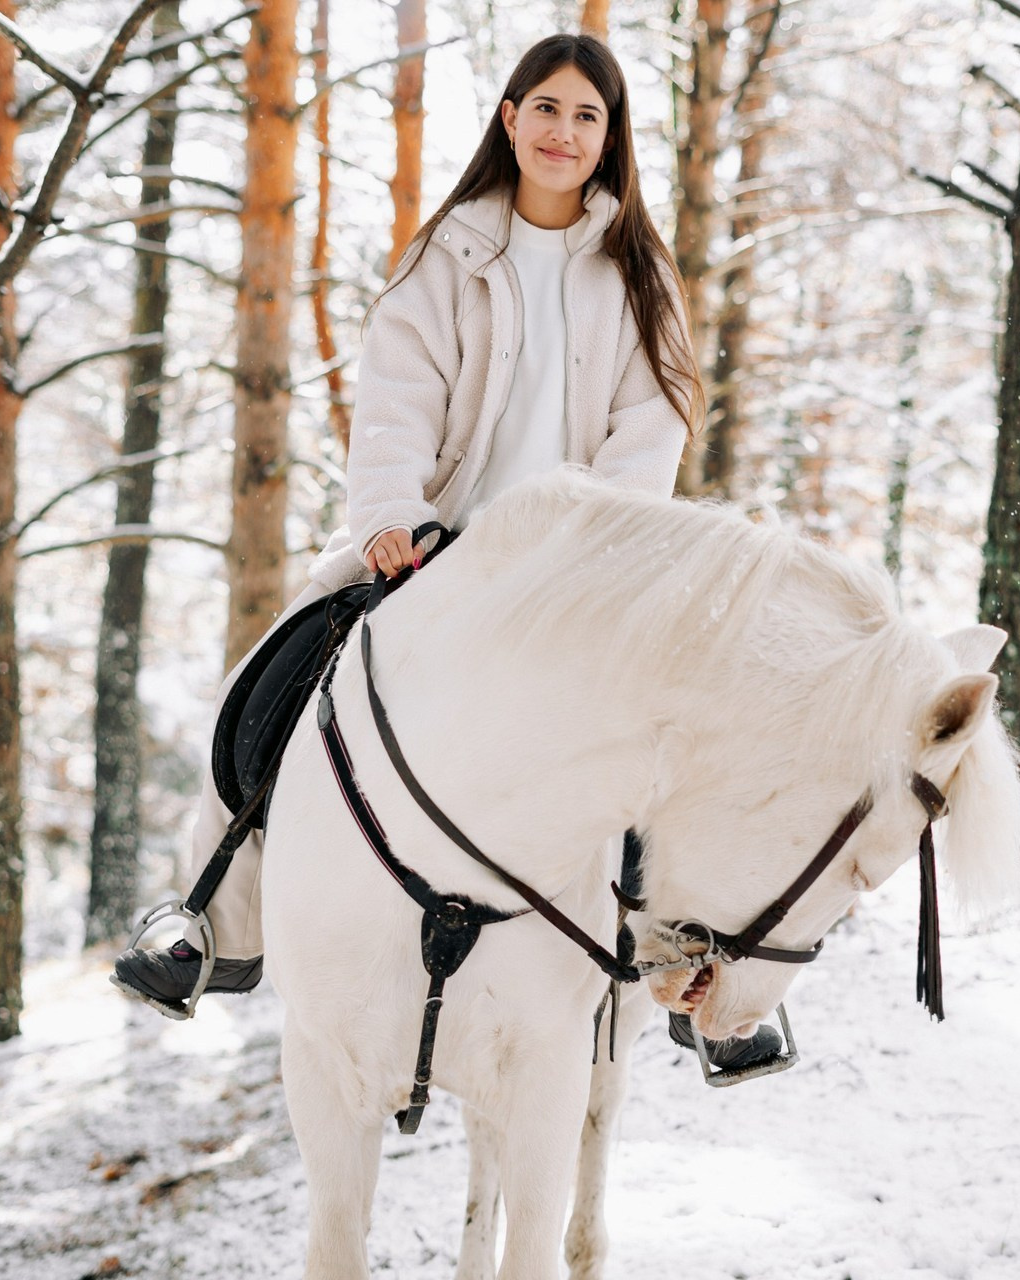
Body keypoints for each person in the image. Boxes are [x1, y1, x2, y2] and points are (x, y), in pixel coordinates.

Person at [112, 33, 779, 1074]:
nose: (563, 132)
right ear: (509, 119)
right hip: (439, 552)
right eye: (545, 109)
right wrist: (391, 511)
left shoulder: (642, 272)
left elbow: (651, 427)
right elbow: (393, 402)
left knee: (684, 735)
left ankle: (700, 969)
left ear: (609, 139)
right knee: (272, 675)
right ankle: (206, 921)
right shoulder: (444, 255)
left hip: (585, 571)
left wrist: (593, 551)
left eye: (586, 116)